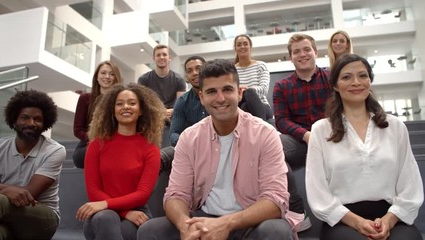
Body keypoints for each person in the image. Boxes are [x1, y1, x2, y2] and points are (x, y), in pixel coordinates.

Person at [137, 59, 294, 240]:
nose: (220, 98)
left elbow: (275, 199)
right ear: (202, 97)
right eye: (212, 92)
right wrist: (185, 226)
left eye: (227, 89)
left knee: (277, 231)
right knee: (150, 231)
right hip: (203, 220)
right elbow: (176, 194)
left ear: (240, 92)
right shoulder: (189, 138)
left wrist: (226, 223)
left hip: (250, 222)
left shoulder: (265, 134)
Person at [305, 54, 423, 240]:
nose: (356, 82)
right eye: (346, 77)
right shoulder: (320, 131)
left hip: (391, 216)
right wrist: (358, 223)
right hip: (343, 220)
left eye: (362, 76)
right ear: (335, 85)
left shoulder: (395, 127)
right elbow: (318, 192)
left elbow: (410, 184)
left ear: (370, 81)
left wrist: (389, 220)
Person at [76, 83, 166, 240]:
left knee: (123, 229)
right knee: (106, 218)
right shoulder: (96, 144)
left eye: (132, 103)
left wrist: (116, 209)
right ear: (112, 110)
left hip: (137, 213)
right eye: (119, 104)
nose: (126, 107)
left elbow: (142, 194)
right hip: (100, 214)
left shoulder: (151, 149)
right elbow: (93, 190)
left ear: (141, 110)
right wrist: (124, 212)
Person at [0, 90, 65, 239]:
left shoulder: (54, 150)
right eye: (25, 118)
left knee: (0, 200)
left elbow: (28, 194)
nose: (31, 123)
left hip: (41, 219)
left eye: (37, 119)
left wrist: (1, 190)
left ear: (45, 122)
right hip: (6, 216)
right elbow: (11, 194)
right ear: (14, 120)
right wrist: (7, 190)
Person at [273, 33, 332, 169]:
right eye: (296, 51)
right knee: (274, 147)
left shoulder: (332, 79)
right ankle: (288, 191)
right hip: (300, 142)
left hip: (331, 137)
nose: (302, 54)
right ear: (291, 58)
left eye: (307, 49)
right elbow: (281, 121)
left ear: (315, 52)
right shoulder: (281, 86)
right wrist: (306, 136)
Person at [72, 60, 123, 168]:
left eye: (112, 74)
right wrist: (96, 139)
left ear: (116, 78)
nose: (107, 76)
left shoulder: (122, 100)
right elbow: (78, 130)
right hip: (89, 145)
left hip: (115, 145)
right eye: (103, 73)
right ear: (97, 76)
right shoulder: (85, 98)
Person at [138, 44, 186, 147]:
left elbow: (180, 105)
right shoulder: (144, 80)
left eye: (164, 54)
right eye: (158, 55)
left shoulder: (179, 80)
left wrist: (170, 112)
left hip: (171, 121)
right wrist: (160, 112)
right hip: (151, 121)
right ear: (154, 58)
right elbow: (142, 104)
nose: (161, 57)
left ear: (169, 58)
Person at [169, 56, 208, 147]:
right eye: (189, 71)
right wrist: (189, 145)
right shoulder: (182, 101)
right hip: (192, 149)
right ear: (186, 77)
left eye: (198, 68)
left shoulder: (219, 95)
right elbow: (174, 134)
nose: (195, 73)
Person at [233, 34, 273, 121]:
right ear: (235, 49)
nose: (242, 47)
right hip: (239, 104)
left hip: (262, 106)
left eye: (245, 44)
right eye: (239, 45)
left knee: (248, 94)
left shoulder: (261, 66)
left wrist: (247, 90)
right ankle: (262, 129)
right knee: (244, 105)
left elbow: (264, 89)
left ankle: (261, 127)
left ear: (250, 47)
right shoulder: (232, 70)